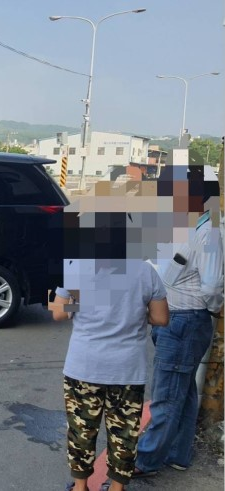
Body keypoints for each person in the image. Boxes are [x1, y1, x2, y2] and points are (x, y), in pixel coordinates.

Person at [50, 186, 170, 491]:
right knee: (124, 434)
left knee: (81, 431)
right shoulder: (145, 271)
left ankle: (80, 488)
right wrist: (134, 311)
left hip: (83, 367)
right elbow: (161, 318)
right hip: (127, 371)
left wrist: (81, 304)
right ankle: (116, 489)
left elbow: (60, 314)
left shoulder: (77, 267)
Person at [133, 165, 223, 477]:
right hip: (174, 320)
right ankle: (178, 453)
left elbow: (212, 286)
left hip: (186, 321)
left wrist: (208, 311)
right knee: (181, 392)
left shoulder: (209, 232)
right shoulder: (187, 226)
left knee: (166, 397)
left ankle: (145, 461)